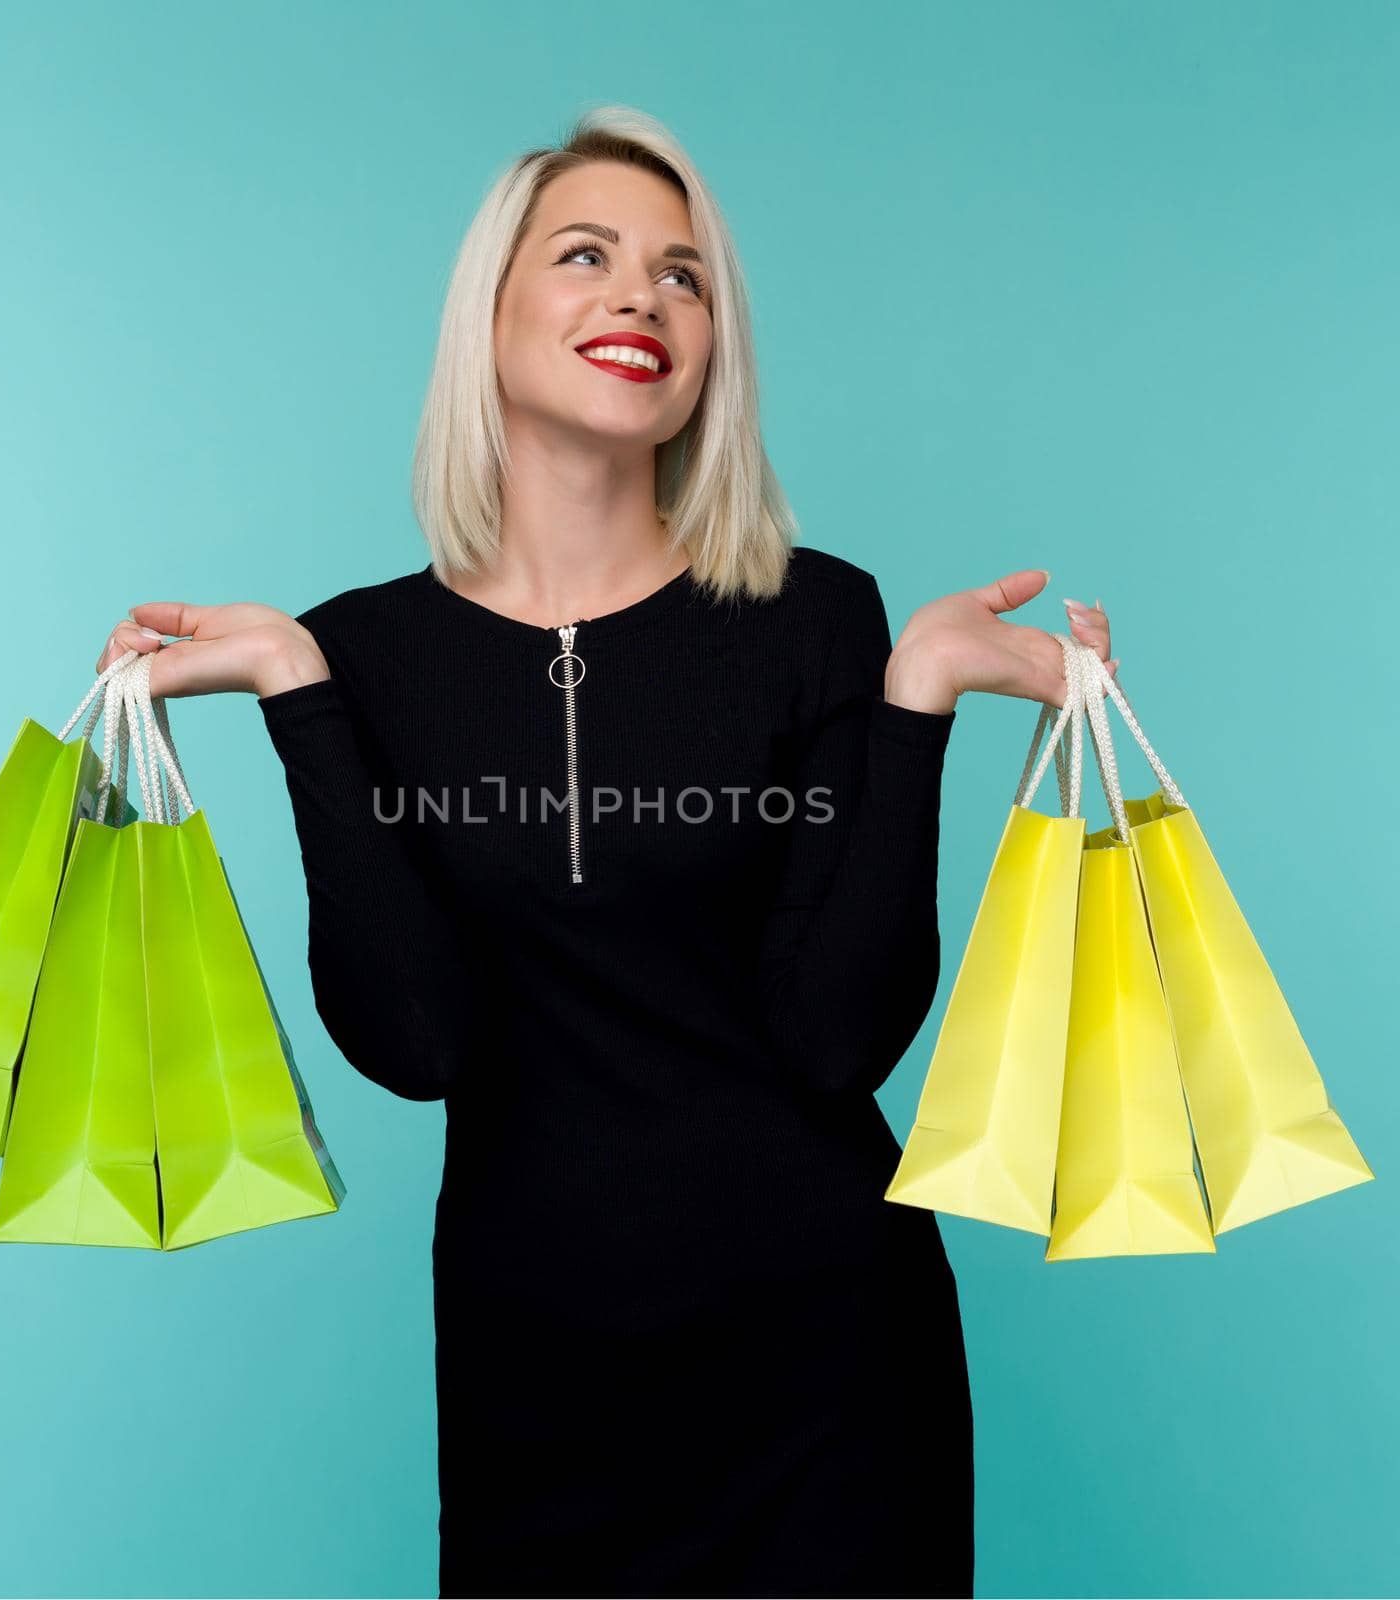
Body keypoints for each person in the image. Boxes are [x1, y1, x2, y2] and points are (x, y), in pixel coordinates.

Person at [97, 106, 1115, 1600]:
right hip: (539, 1374)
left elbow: (839, 1041)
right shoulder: (367, 652)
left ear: (714, 346)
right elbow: (417, 1041)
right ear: (490, 313)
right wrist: (297, 699)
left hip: (827, 1364)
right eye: (589, 256)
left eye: (684, 276)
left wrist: (917, 705)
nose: (643, 297)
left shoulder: (818, 616)